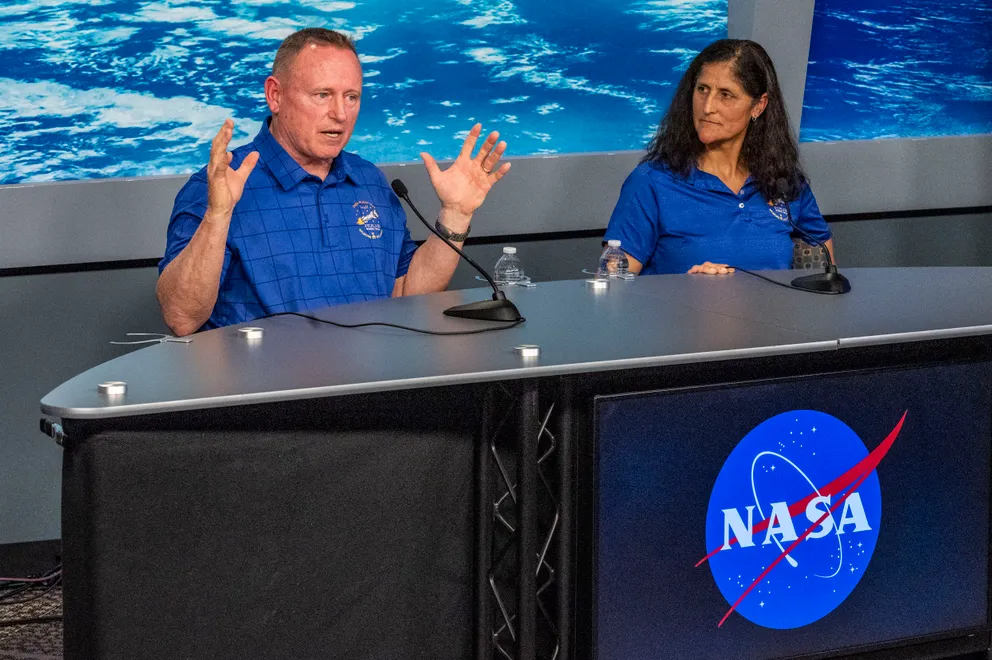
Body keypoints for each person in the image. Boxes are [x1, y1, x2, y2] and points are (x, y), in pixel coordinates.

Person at [157, 28, 511, 336]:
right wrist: (218, 216)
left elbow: (404, 294)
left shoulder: (369, 181)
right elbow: (181, 318)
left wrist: (455, 214)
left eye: (351, 97)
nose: (340, 114)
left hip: (369, 390)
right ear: (275, 95)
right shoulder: (221, 184)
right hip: (264, 398)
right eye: (322, 95)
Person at [604, 39, 833, 276]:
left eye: (726, 95)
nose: (707, 107)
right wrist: (684, 288)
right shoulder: (651, 182)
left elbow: (822, 279)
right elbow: (612, 291)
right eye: (702, 89)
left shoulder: (785, 183)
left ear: (758, 106)